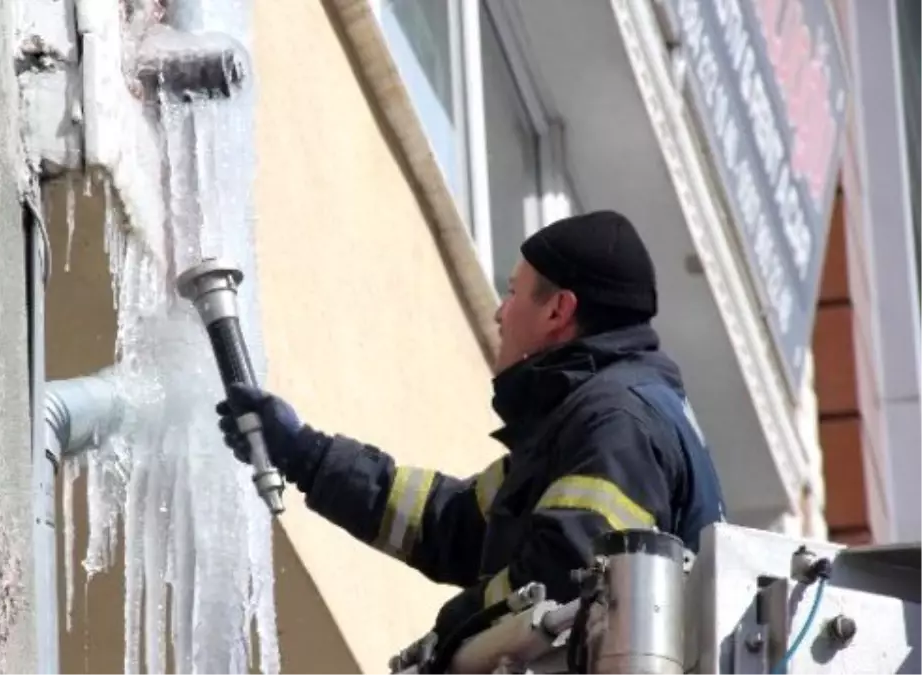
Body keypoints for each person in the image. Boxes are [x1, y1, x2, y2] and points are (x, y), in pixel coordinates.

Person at [215, 210, 727, 650]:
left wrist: (447, 638)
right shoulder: (591, 420)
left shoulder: (616, 424)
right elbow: (452, 524)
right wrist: (306, 454)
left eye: (513, 292)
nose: (500, 313)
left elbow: (567, 579)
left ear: (558, 309)